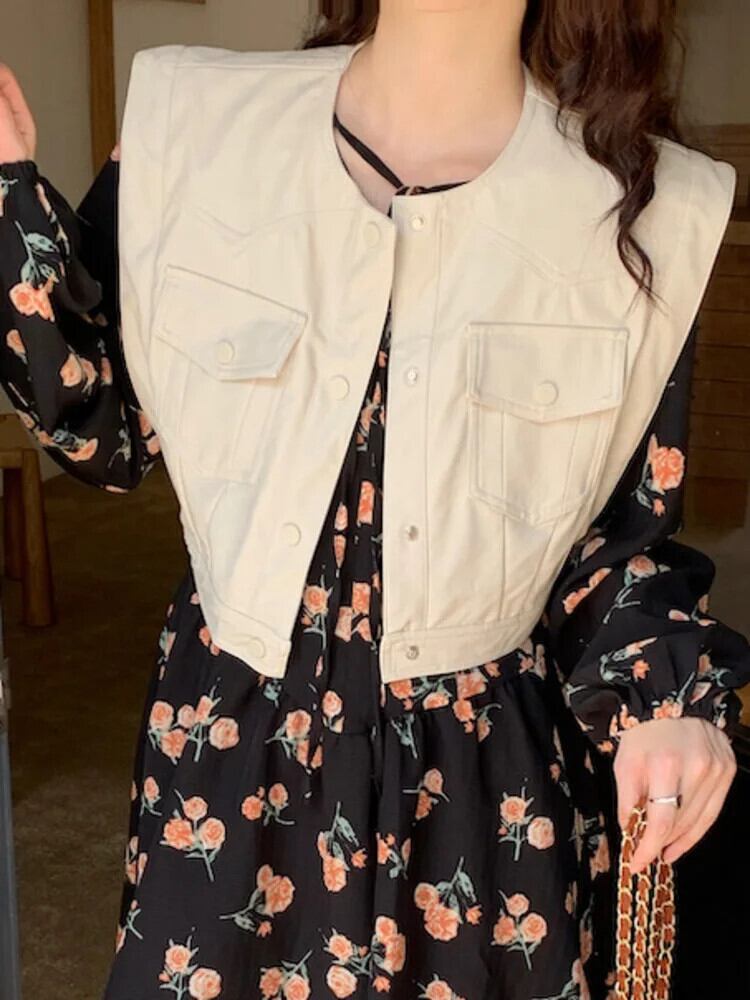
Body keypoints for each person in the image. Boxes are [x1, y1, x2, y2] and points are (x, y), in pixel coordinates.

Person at [0, 4, 748, 998]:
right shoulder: (195, 120)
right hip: (230, 764)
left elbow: (618, 541)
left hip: (482, 795)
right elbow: (105, 427)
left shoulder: (650, 207)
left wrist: (665, 703)